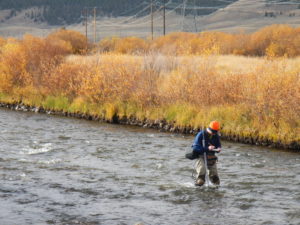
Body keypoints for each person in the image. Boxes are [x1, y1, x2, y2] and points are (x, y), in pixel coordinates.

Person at [191, 121, 222, 186]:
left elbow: (218, 145)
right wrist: (207, 148)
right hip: (200, 156)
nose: (214, 134)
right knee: (201, 179)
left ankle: (214, 193)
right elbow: (195, 147)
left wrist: (218, 149)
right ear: (209, 129)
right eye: (213, 132)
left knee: (216, 180)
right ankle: (198, 190)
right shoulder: (201, 134)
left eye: (216, 132)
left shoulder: (216, 135)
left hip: (211, 157)